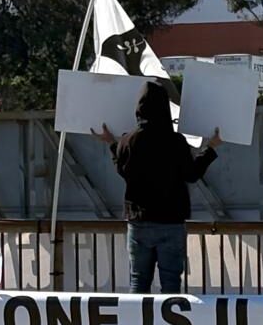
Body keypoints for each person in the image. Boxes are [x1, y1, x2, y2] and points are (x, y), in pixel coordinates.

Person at [93, 80, 222, 294]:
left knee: (138, 281)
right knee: (171, 282)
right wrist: (210, 149)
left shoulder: (128, 141)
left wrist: (111, 143)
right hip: (171, 221)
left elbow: (123, 170)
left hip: (138, 221)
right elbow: (191, 174)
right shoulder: (176, 141)